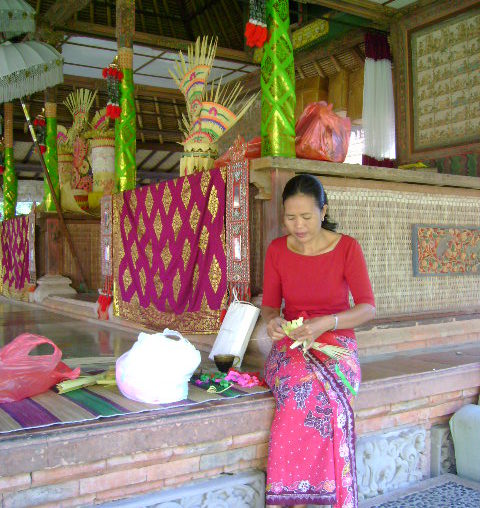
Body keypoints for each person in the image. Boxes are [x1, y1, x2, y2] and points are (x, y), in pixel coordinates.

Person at [262, 174, 376, 508]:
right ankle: (298, 498)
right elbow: (270, 306)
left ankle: (315, 495)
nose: (297, 226)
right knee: (299, 388)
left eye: (306, 217)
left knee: (321, 398)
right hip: (293, 344)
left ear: (323, 211)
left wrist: (328, 322)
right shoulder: (277, 251)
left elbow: (368, 308)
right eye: (290, 217)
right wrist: (273, 322)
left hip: (336, 345)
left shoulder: (347, 248)